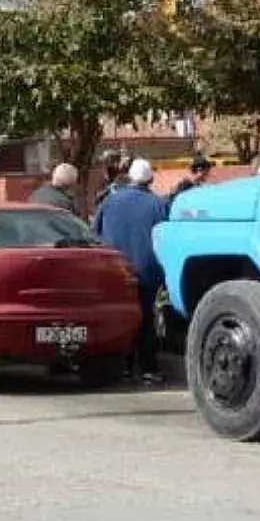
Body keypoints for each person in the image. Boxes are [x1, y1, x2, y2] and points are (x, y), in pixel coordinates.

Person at [92, 158, 167, 384]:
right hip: (147, 270)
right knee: (144, 317)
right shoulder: (158, 204)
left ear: (129, 178)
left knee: (119, 316)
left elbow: (94, 232)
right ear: (151, 179)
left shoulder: (109, 202)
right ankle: (148, 368)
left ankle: (123, 366)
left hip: (114, 268)